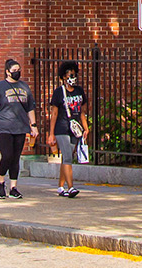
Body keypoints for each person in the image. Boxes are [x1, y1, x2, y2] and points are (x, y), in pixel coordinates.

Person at [0, 58, 36, 200]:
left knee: (15, 157)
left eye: (18, 70)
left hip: (20, 126)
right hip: (3, 126)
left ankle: (13, 187)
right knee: (7, 155)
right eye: (14, 71)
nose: (17, 73)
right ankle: (0, 181)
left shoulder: (24, 87)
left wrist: (34, 125)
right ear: (7, 72)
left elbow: (30, 107)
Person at [50, 60, 87, 198]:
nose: (73, 77)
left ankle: (60, 186)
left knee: (66, 157)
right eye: (70, 75)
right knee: (67, 157)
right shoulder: (59, 92)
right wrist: (51, 133)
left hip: (75, 128)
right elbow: (54, 113)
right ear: (64, 77)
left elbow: (82, 111)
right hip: (62, 127)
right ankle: (71, 187)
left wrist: (85, 128)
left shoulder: (79, 91)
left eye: (74, 74)